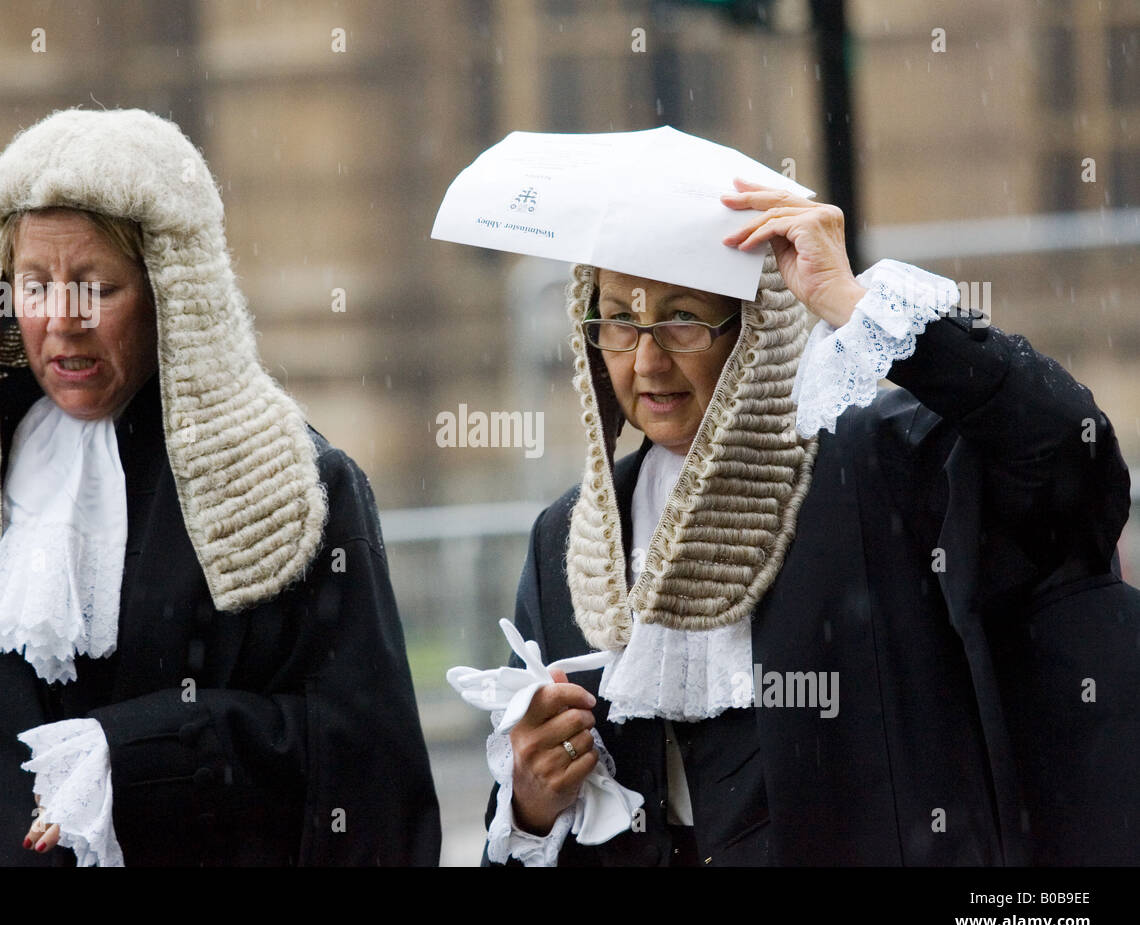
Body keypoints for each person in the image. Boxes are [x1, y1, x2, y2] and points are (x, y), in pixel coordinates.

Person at [0, 107, 441, 866]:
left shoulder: (296, 488)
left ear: (171, 292)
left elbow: (366, 774)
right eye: (34, 284)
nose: (61, 321)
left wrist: (140, 755)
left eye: (95, 286)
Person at [485, 177, 1135, 866]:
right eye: (619, 320)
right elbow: (535, 824)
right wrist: (530, 804)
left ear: (753, 327)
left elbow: (1070, 457)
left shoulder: (878, 466)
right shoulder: (572, 536)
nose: (647, 361)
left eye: (682, 319)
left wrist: (856, 307)